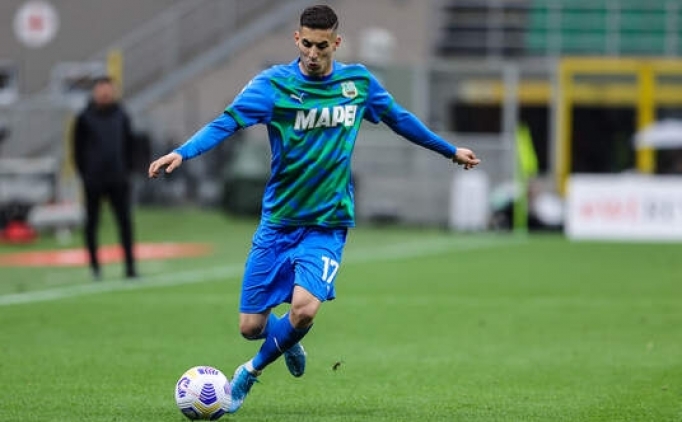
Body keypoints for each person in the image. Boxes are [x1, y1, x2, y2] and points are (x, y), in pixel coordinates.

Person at [148, 4, 480, 414]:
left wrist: (449, 150)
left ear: (336, 43)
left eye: (322, 46)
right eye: (306, 44)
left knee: (303, 310)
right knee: (251, 327)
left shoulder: (357, 84)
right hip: (278, 222)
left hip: (327, 223)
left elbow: (400, 119)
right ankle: (286, 341)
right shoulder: (273, 85)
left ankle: (249, 372)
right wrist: (182, 152)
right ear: (296, 39)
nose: (312, 53)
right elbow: (226, 122)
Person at [73, 76, 138, 280]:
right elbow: (77, 149)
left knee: (125, 222)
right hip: (94, 180)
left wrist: (128, 170)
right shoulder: (84, 117)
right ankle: (95, 268)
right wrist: (85, 174)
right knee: (92, 223)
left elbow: (129, 144)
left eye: (108, 89)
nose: (105, 93)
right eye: (101, 89)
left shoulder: (121, 115)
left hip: (118, 178)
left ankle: (130, 268)